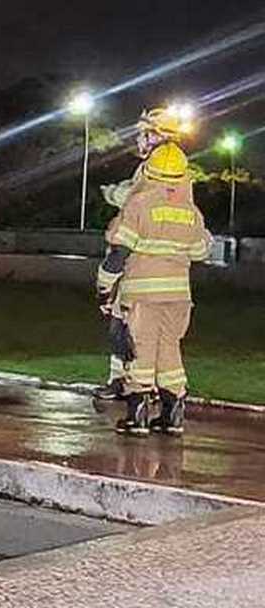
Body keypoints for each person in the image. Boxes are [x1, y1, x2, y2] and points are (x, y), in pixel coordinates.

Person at [96, 142, 210, 436]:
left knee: (140, 351)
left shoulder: (139, 204)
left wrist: (103, 289)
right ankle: (173, 416)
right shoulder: (191, 212)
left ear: (149, 172)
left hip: (142, 295)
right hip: (179, 297)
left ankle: (138, 417)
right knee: (170, 350)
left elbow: (118, 254)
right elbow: (200, 251)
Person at [95, 107, 190, 401]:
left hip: (141, 264)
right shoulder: (164, 167)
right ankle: (134, 385)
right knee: (128, 327)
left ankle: (135, 390)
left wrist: (113, 195)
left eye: (144, 133)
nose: (140, 138)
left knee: (133, 331)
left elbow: (138, 202)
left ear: (158, 135)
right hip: (157, 269)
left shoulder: (164, 169)